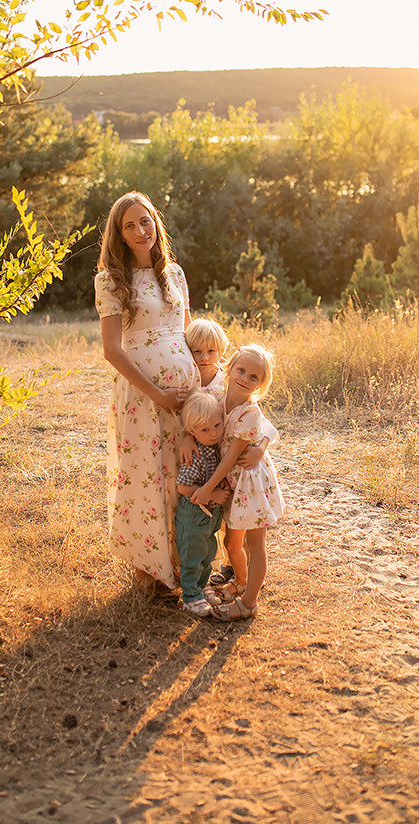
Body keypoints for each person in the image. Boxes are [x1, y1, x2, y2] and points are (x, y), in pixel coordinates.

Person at [94, 192, 200, 594]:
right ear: (119, 235)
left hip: (185, 396)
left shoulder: (175, 274)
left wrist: (206, 383)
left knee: (182, 474)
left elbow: (187, 334)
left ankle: (186, 565)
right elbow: (112, 350)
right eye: (130, 225)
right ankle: (150, 571)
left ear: (156, 223)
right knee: (146, 476)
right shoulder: (110, 281)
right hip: (143, 397)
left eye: (146, 221)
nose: (141, 231)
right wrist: (157, 393)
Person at [191, 343, 285, 621]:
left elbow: (232, 456)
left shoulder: (250, 412)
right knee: (232, 542)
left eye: (254, 377)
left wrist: (208, 488)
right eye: (241, 370)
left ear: (261, 384)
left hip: (250, 482)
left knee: (254, 544)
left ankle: (249, 603)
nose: (245, 378)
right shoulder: (218, 397)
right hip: (233, 481)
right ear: (228, 367)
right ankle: (241, 582)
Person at [175, 390, 231, 617]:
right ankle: (190, 597)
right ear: (192, 432)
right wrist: (213, 494)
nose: (214, 433)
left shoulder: (216, 449)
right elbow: (183, 487)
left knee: (208, 554)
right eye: (205, 430)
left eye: (217, 425)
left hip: (210, 516)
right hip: (194, 515)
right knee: (193, 557)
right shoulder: (196, 454)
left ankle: (201, 587)